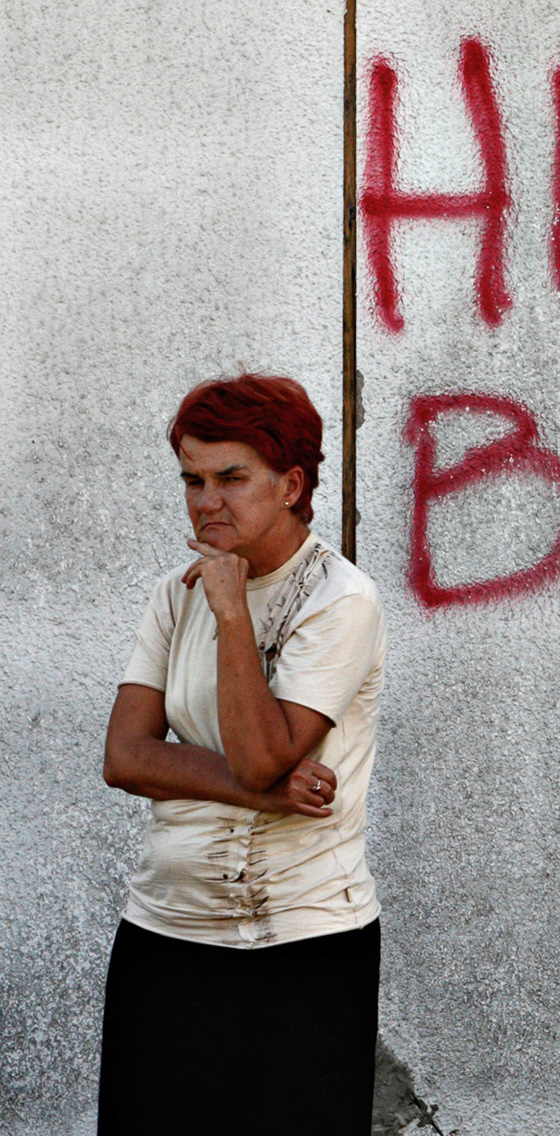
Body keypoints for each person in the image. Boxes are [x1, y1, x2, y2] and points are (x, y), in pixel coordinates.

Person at [98, 373, 386, 1136]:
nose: (205, 501)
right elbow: (125, 755)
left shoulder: (340, 600)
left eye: (232, 477)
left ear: (292, 484)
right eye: (192, 479)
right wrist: (263, 794)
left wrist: (231, 610)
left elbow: (262, 754)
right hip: (166, 933)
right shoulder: (173, 593)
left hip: (303, 946)